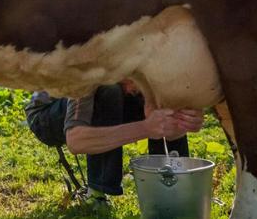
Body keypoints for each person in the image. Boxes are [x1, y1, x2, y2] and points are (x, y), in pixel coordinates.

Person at [26, 81, 204, 202]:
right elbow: (76, 140)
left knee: (165, 100)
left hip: (115, 92)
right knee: (108, 90)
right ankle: (96, 195)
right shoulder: (92, 71)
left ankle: (173, 191)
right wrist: (146, 128)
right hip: (45, 117)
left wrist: (183, 121)